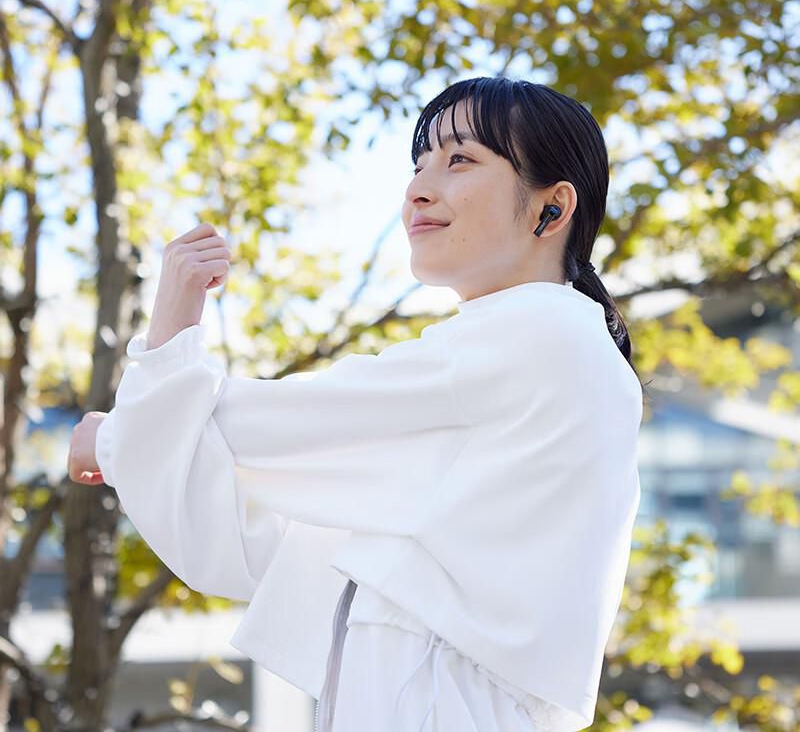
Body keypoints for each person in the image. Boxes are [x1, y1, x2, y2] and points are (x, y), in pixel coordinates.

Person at [69, 75, 646, 732]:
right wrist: (147, 409)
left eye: (460, 159)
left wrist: (124, 428)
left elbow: (280, 425)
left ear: (552, 208)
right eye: (419, 164)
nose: (418, 189)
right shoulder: (515, 374)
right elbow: (248, 543)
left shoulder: (540, 336)